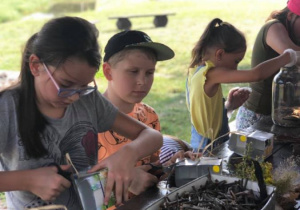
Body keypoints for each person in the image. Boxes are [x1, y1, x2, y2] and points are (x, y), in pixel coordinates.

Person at [0, 16, 163, 210]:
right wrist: (27, 180)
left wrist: (128, 153)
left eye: (83, 86)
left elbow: (152, 136)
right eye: (66, 85)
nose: (75, 97)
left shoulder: (89, 101)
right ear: (36, 66)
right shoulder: (7, 109)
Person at [186, 18, 300, 152]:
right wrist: (287, 56)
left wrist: (229, 107)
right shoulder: (210, 74)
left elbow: (204, 113)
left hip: (206, 143)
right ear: (220, 54)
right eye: (236, 61)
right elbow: (256, 75)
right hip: (208, 148)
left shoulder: (195, 71)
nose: (236, 67)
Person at [98, 30, 174, 195]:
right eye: (133, 72)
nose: (142, 81)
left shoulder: (149, 115)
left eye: (149, 72)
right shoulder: (89, 119)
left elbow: (151, 166)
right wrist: (129, 181)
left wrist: (171, 166)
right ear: (108, 72)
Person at [236, 0, 300, 130]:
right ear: (290, 16)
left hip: (283, 116)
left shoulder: (295, 32)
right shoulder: (273, 27)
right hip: (257, 117)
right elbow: (295, 56)